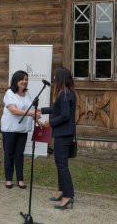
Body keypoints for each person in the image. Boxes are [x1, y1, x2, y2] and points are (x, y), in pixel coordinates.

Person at [41, 67, 76, 210]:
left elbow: (65, 115)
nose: (54, 79)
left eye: (55, 77)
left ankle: (68, 196)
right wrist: (41, 110)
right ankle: (62, 191)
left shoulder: (65, 94)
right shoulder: (66, 93)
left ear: (60, 78)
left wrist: (50, 123)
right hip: (63, 133)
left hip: (63, 134)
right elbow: (58, 110)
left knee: (62, 165)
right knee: (60, 164)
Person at [0, 70, 40, 189]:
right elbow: (13, 110)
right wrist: (31, 112)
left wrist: (40, 123)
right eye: (22, 79)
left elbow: (32, 112)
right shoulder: (9, 93)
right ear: (16, 81)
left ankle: (20, 179)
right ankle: (8, 179)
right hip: (10, 129)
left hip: (22, 129)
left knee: (19, 154)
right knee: (9, 154)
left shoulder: (27, 94)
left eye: (26, 79)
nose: (25, 82)